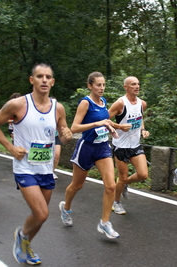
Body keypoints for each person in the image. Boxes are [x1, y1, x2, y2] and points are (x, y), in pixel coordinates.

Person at [0, 63, 72, 265]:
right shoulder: (18, 104)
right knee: (41, 213)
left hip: (46, 168)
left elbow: (63, 134)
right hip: (24, 167)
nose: (44, 80)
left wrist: (67, 135)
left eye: (48, 77)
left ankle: (25, 243)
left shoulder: (58, 108)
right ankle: (22, 236)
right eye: (40, 76)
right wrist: (10, 147)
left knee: (41, 217)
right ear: (31, 80)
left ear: (53, 82)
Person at [59, 71, 121, 239]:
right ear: (90, 86)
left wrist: (110, 127)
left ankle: (105, 223)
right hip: (86, 148)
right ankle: (66, 208)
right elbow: (74, 127)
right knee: (77, 185)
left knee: (110, 186)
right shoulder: (85, 103)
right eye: (98, 85)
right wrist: (97, 123)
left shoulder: (104, 102)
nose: (101, 88)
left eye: (103, 85)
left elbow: (104, 121)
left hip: (102, 148)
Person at [108, 76, 149, 215]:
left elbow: (140, 117)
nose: (137, 86)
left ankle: (125, 183)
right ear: (126, 87)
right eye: (133, 84)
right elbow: (104, 120)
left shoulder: (142, 104)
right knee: (122, 176)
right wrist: (119, 126)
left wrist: (143, 129)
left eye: (138, 84)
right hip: (121, 146)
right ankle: (116, 202)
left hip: (135, 145)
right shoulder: (120, 103)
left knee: (143, 174)